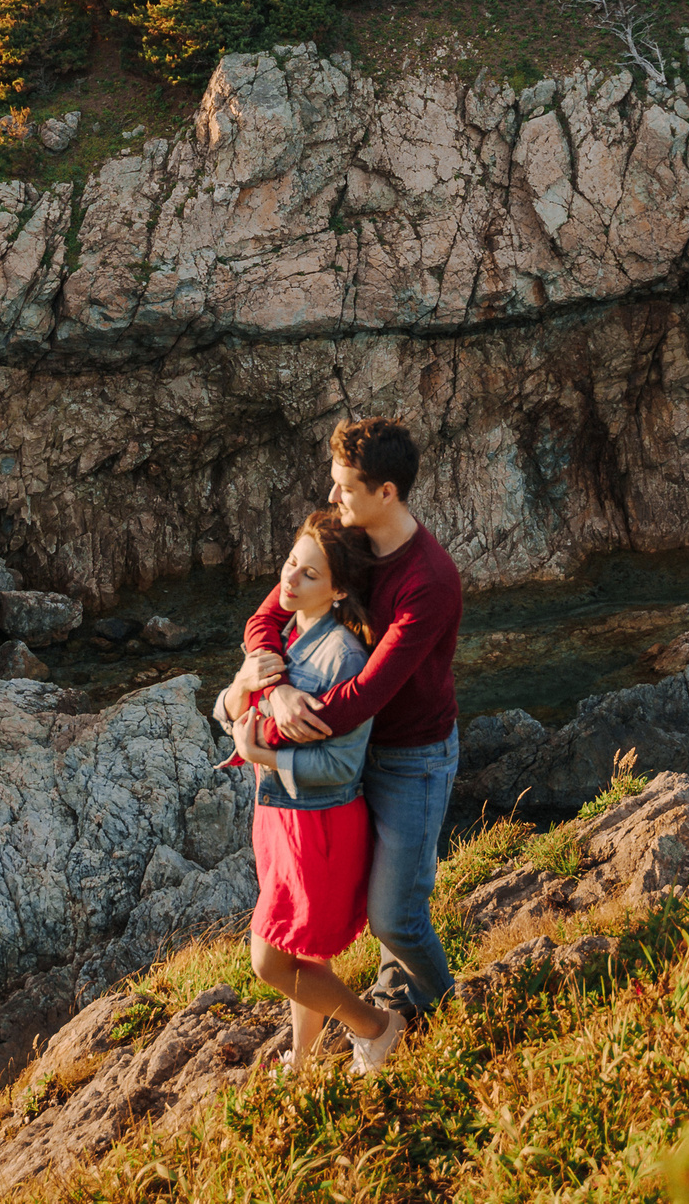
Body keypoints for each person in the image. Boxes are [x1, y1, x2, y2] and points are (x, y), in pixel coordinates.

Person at [239, 416, 463, 1020]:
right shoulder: (349, 534)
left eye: (343, 485)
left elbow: (364, 696)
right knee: (358, 904)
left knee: (395, 914)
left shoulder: (430, 581)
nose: (332, 496)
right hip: (349, 755)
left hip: (410, 756)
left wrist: (273, 732)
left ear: (385, 492)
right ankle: (397, 1002)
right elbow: (267, 616)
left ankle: (447, 1017)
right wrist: (277, 683)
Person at [214, 509, 409, 1073]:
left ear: (340, 588)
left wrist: (262, 755)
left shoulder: (344, 658)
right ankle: (302, 1060)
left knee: (270, 962)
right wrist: (244, 685)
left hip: (317, 827)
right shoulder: (282, 634)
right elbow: (226, 709)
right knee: (303, 951)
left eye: (308, 575)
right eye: (290, 564)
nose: (289, 582)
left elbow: (343, 764)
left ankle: (376, 1027)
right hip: (279, 818)